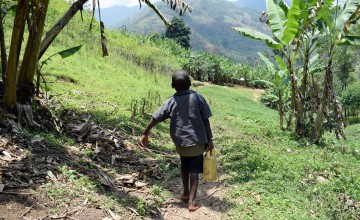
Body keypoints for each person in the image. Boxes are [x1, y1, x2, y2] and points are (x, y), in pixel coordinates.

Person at [139, 70, 214, 212]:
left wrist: (145, 133)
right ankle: (192, 202)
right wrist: (210, 140)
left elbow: (155, 117)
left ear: (172, 85)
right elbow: (206, 121)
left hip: (180, 142)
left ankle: (185, 193)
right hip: (197, 141)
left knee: (184, 165)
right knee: (194, 171)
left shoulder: (171, 101)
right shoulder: (198, 98)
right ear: (190, 83)